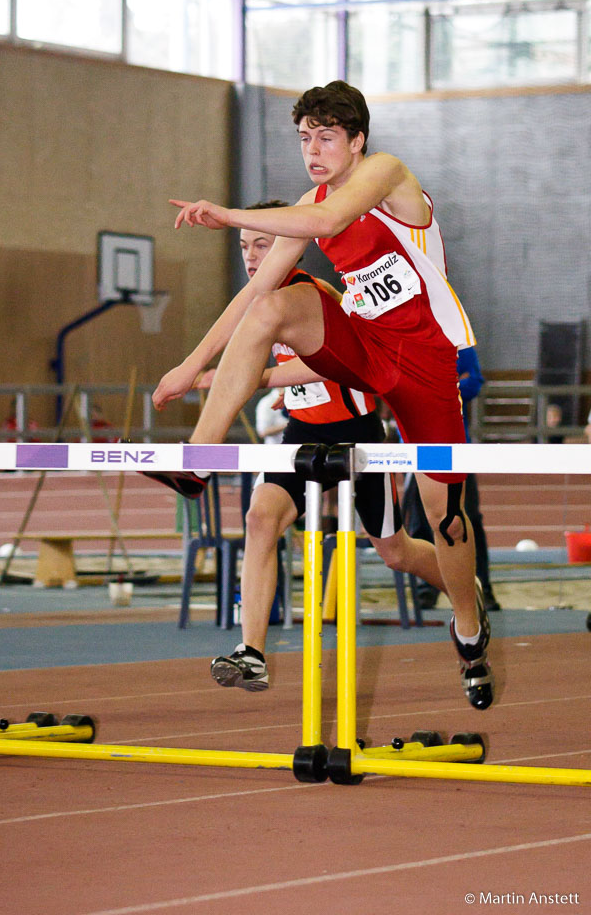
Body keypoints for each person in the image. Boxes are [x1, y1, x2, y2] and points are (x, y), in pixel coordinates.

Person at [153, 80, 494, 711]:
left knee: (444, 517)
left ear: (357, 141)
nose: (313, 150)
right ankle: (199, 458)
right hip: (364, 346)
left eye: (327, 137)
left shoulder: (387, 174)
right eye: (305, 138)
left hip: (424, 362)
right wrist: (189, 363)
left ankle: (469, 629)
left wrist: (228, 214)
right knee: (273, 305)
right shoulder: (310, 199)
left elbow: (329, 219)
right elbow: (253, 294)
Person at [201, 203, 446, 692]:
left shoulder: (313, 295)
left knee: (394, 551)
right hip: (301, 433)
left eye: (262, 244)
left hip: (356, 434)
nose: (251, 257)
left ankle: (464, 590)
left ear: (287, 245)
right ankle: (252, 652)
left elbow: (336, 365)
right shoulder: (255, 303)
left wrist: (258, 376)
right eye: (244, 246)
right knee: (259, 518)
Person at [403, 346, 501, 612]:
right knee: (422, 521)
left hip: (455, 444)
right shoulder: (395, 333)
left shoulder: (457, 339)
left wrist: (438, 389)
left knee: (468, 519)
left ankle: (483, 587)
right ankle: (427, 589)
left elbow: (474, 381)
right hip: (414, 447)